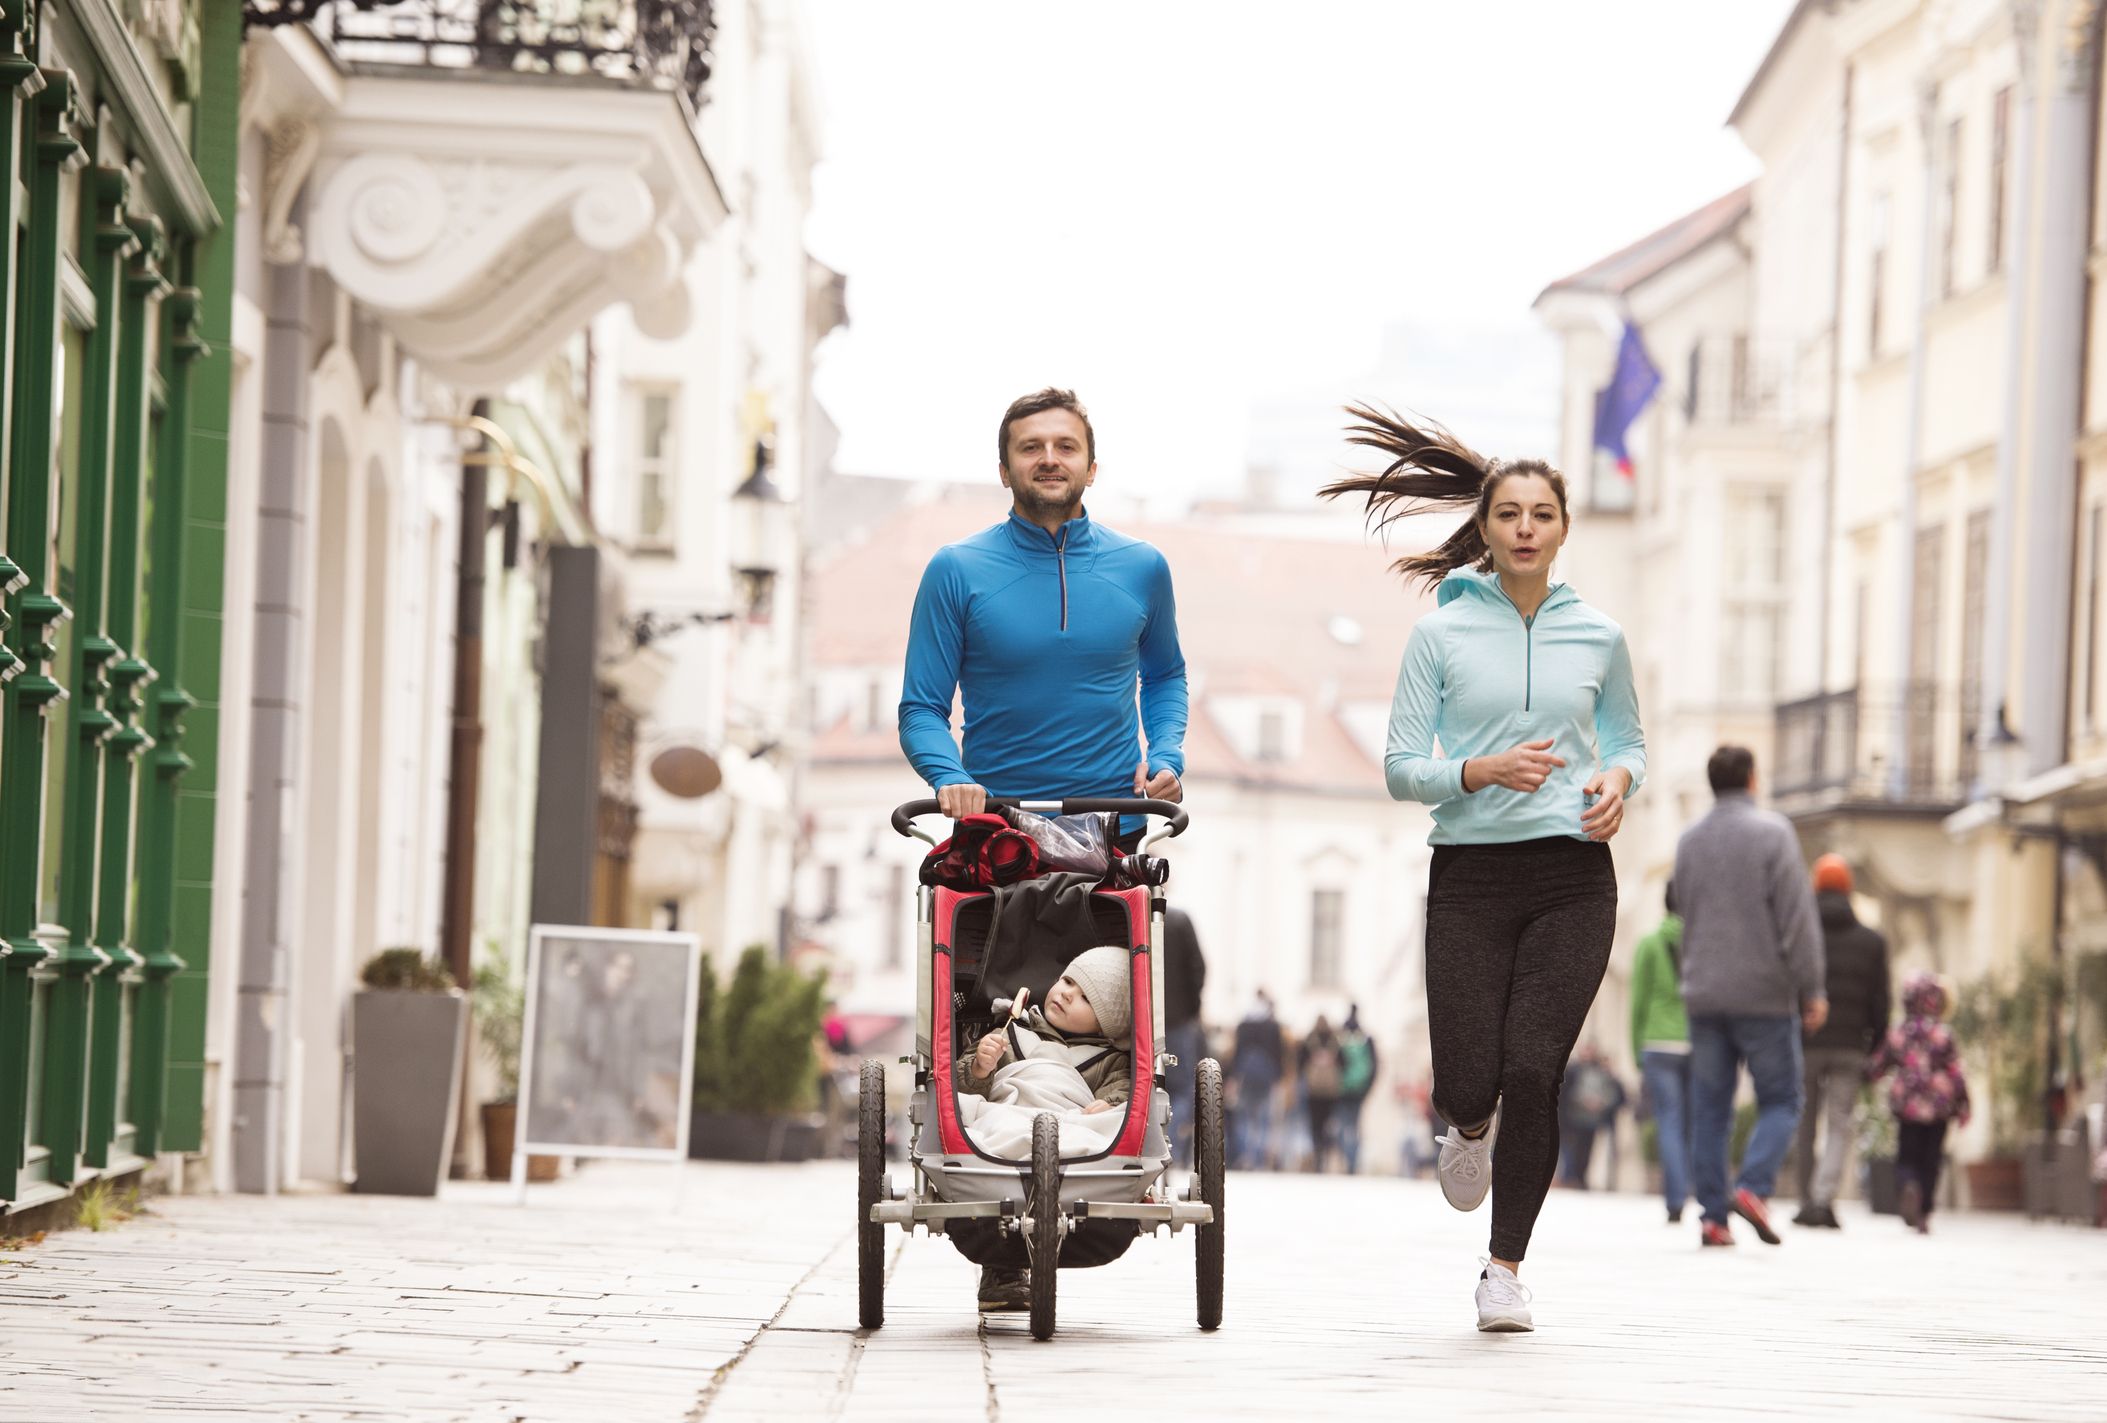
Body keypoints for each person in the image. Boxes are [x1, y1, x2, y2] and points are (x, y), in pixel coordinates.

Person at [1322, 407, 1645, 1333]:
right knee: (1471, 1079)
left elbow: (1625, 736)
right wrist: (1478, 770)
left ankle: (1503, 1269)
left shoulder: (1600, 635)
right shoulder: (1442, 634)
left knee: (1534, 1067)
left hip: (1573, 876)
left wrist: (1617, 781)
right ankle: (1465, 1125)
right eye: (1509, 513)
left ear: (1561, 527)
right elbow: (1397, 767)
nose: (1525, 528)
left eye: (1541, 513)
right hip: (1469, 873)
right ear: (1488, 525)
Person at [898, 387, 1189, 1314]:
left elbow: (1168, 675)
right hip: (1000, 832)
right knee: (983, 1003)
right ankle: (997, 1235)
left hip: (1110, 825)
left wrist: (1167, 756)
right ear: (1006, 466)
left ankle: (1113, 1156)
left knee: (1111, 1009)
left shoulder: (1141, 568)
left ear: (1092, 465)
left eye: (1066, 446)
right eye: (1032, 446)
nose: (1050, 458)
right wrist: (949, 776)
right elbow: (918, 703)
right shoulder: (959, 569)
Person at [1673, 745, 1825, 1250]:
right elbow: (1797, 919)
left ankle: (1713, 1218)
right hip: (1765, 993)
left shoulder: (1689, 842)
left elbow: (1682, 910)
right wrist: (1811, 986)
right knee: (1782, 1098)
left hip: (1704, 992)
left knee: (1710, 1108)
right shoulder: (1773, 834)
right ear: (1753, 780)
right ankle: (1755, 1187)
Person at [1792, 854, 1890, 1229]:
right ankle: (1823, 1198)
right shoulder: (1872, 941)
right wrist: (1875, 1043)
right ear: (1849, 890)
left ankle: (1806, 1199)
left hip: (1806, 1041)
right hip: (1851, 1045)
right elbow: (1881, 1000)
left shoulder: (1800, 934)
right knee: (1839, 1123)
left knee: (1805, 1123)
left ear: (1815, 886)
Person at [957, 947, 1134, 1112]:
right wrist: (979, 1069)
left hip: (1067, 1130)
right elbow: (956, 1092)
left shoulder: (1111, 1063)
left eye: (1086, 998)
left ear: (1105, 1026)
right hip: (1005, 1115)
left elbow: (1125, 1102)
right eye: (1068, 981)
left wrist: (1109, 1107)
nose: (1067, 993)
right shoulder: (1006, 1035)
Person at [1866, 972, 1970, 1233]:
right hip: (1938, 1107)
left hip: (1908, 1104)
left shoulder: (1900, 1032)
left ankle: (1908, 1184)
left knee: (1907, 1155)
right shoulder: (1943, 1034)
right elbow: (1956, 1072)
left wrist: (1869, 1075)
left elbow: (1879, 1063)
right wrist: (1964, 1104)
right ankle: (1923, 1211)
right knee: (1931, 1159)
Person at [1628, 881, 1694, 1222]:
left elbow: (1638, 1000)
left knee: (1668, 1120)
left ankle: (1675, 1198)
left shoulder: (1650, 944)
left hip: (1657, 1042)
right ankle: (1695, 1189)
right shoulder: (1700, 943)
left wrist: (1636, 1049)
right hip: (1695, 1041)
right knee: (1693, 1121)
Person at [1162, 908, 1208, 1168]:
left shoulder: (1135, 917)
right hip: (1179, 1021)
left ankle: (1153, 1146)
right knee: (1181, 1090)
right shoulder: (1180, 920)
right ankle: (1171, 1148)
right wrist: (1192, 1009)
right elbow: (1198, 968)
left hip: (1143, 1019)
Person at [1556, 1045, 1626, 1190]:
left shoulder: (1602, 1072)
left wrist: (1600, 1103)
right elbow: (1565, 1092)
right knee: (1570, 1149)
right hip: (1572, 1118)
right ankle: (1569, 1177)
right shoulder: (1572, 1070)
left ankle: (1579, 1178)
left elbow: (1615, 1094)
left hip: (1592, 1120)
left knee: (1586, 1150)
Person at [1231, 990, 1286, 1169]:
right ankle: (1260, 1159)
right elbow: (1278, 1054)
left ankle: (1246, 1155)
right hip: (1266, 1076)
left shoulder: (1244, 1024)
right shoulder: (1272, 1026)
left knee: (1245, 1117)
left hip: (1246, 1075)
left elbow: (1237, 1052)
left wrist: (1234, 1076)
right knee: (1263, 1118)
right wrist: (1279, 1078)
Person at [1335, 1006, 1380, 1174]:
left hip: (1342, 1090)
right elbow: (1375, 1066)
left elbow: (1336, 1066)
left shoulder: (1340, 1039)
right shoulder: (1366, 1039)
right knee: (1354, 1127)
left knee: (1342, 1126)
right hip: (1359, 1091)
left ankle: (1347, 1158)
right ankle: (1352, 1163)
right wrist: (1367, 1089)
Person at [1299, 1016, 1345, 1172]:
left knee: (1314, 1124)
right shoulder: (1335, 1041)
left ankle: (1317, 1152)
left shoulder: (1310, 1040)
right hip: (1331, 1091)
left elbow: (1301, 1062)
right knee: (1328, 1123)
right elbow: (1344, 1063)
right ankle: (1325, 1152)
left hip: (1314, 1090)